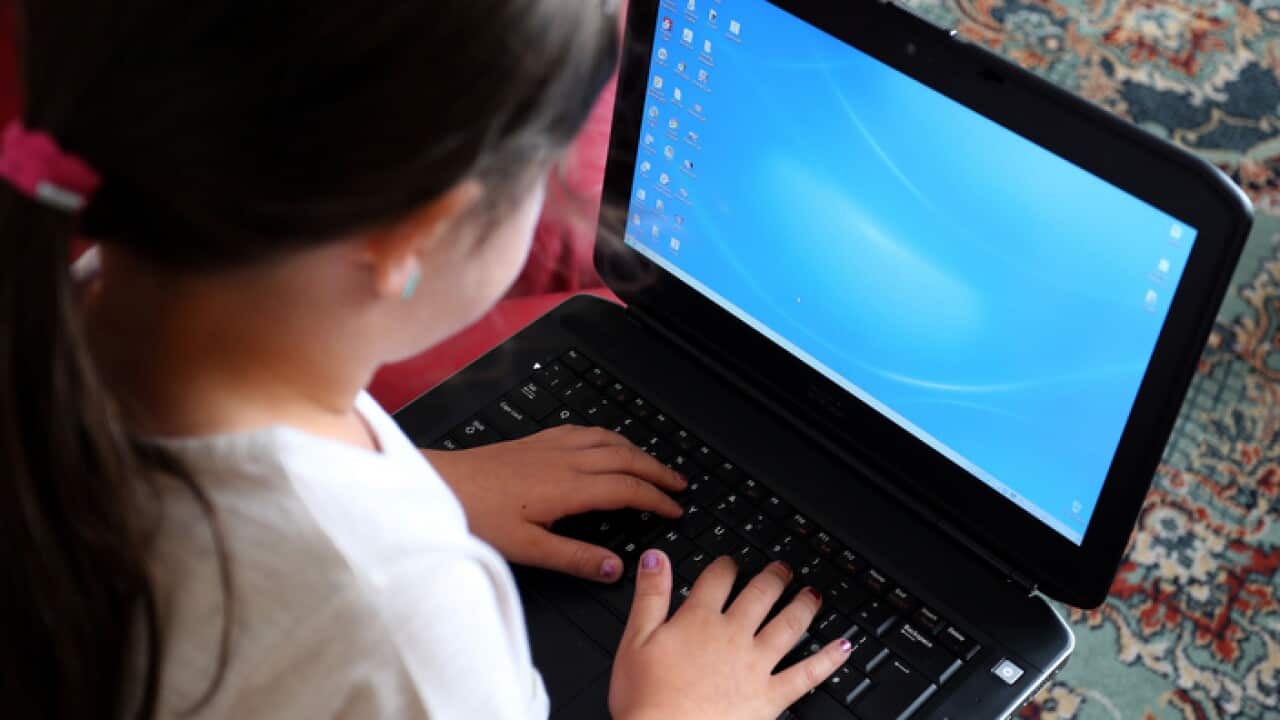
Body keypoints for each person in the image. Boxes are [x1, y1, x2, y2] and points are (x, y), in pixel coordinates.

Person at [0, 1, 852, 718]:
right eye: (546, 170)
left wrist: (423, 480)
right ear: (416, 233)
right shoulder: (409, 618)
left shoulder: (80, 303)